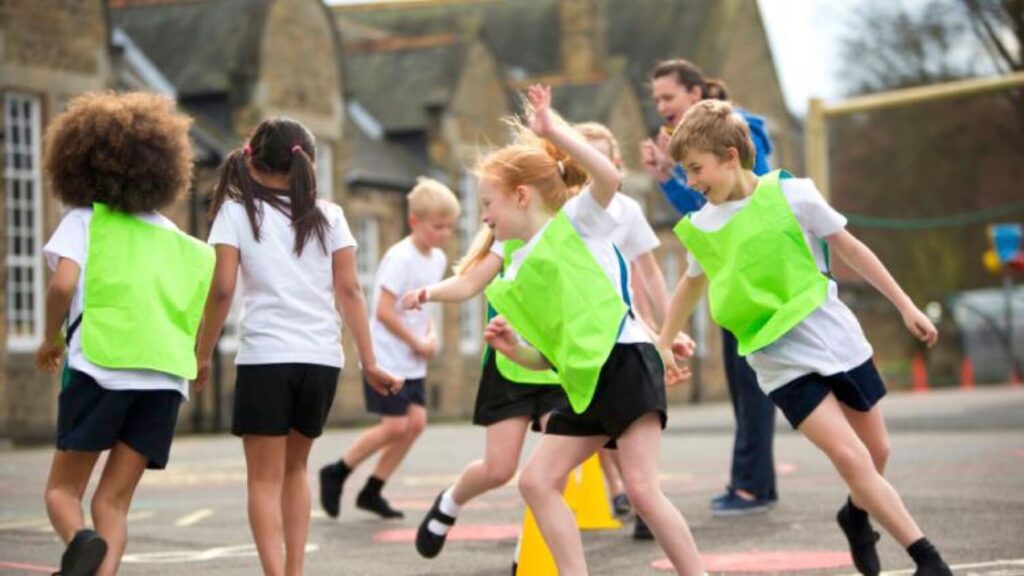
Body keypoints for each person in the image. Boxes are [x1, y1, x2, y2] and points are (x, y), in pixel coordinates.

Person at [657, 99, 952, 576]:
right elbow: (690, 283)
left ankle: (855, 517)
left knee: (877, 453)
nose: (690, 182)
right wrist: (664, 340)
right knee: (848, 454)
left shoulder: (793, 195)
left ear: (731, 156)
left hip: (832, 335)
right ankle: (928, 558)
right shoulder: (702, 227)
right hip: (776, 357)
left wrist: (906, 305)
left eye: (695, 168)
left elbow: (850, 249)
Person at [480, 84, 704, 575]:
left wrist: (553, 128)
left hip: (624, 361)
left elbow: (607, 174)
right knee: (536, 481)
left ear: (521, 196)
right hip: (586, 382)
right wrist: (514, 349)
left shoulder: (579, 222)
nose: (483, 215)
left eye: (488, 203)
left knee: (643, 490)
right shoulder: (516, 276)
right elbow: (548, 357)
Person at [193, 118, 401, 576]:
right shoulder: (331, 214)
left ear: (254, 159)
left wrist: (202, 354)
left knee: (263, 481)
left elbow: (222, 289)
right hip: (321, 360)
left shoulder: (236, 213)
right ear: (305, 160)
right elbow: (350, 291)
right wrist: (370, 361)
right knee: (295, 471)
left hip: (267, 357)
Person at [37, 91, 212, 576]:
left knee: (62, 491)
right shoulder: (185, 244)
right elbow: (192, 313)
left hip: (102, 365)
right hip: (163, 381)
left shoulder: (85, 221)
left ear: (78, 163)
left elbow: (64, 284)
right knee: (112, 502)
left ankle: (80, 541)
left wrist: (49, 337)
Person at [641, 58, 778, 516]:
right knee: (745, 384)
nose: (661, 107)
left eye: (668, 97)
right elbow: (700, 211)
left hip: (754, 273)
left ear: (695, 94)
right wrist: (667, 175)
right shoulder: (691, 149)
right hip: (726, 271)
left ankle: (752, 486)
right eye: (656, 98)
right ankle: (754, 483)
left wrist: (675, 173)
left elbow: (740, 202)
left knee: (755, 381)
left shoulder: (737, 132)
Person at [318, 177, 459, 520]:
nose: (444, 234)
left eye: (449, 227)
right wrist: (414, 342)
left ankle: (372, 490)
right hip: (387, 357)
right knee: (396, 426)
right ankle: (336, 471)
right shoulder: (400, 257)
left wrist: (431, 337)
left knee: (417, 423)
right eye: (437, 227)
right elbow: (382, 310)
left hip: (413, 358)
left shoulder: (437, 259)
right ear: (415, 222)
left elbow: (426, 308)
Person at [574, 121, 673, 521]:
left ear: (615, 164)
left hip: (627, 322)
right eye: (585, 158)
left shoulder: (627, 211)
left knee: (631, 422)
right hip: (585, 332)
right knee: (595, 421)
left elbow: (648, 272)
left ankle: (638, 497)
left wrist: (669, 330)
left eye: (601, 158)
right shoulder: (568, 213)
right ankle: (618, 489)